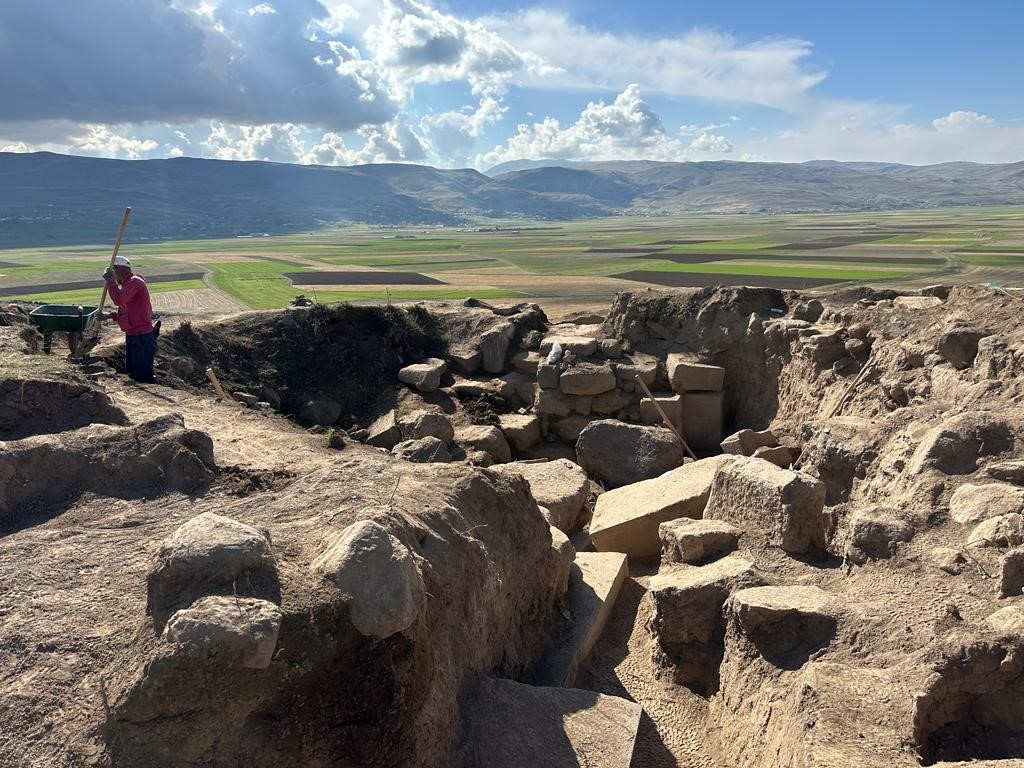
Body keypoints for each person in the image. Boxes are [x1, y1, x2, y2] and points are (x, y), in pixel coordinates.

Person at [103, 254, 157, 383]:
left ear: (119, 270)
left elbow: (119, 300)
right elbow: (127, 311)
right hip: (133, 335)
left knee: (143, 375)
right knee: (133, 372)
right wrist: (111, 316)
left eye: (114, 273)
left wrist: (110, 282)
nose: (115, 278)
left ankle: (150, 399)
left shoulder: (134, 282)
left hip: (141, 336)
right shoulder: (129, 284)